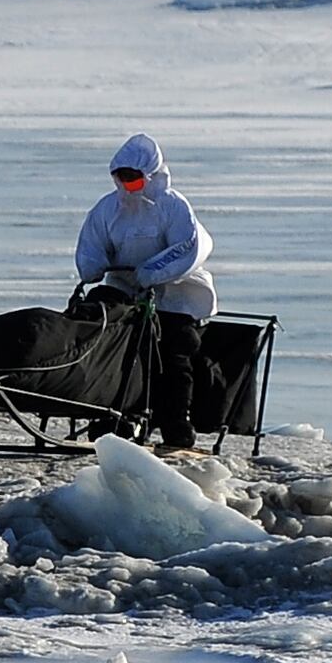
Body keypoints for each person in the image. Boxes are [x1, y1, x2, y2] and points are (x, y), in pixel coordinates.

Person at [70, 131, 216, 449]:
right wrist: (92, 268)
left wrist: (151, 273)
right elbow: (92, 244)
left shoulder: (172, 206)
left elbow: (187, 247)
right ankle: (111, 414)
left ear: (149, 176)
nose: (127, 185)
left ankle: (176, 421)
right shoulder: (108, 209)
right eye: (122, 178)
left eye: (134, 179)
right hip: (125, 294)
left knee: (173, 353)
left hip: (175, 297)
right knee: (110, 347)